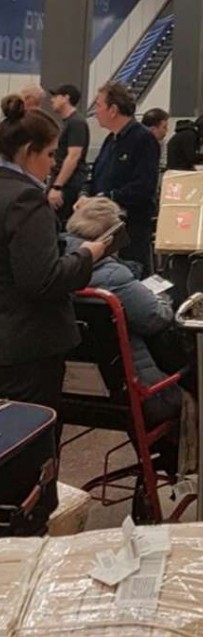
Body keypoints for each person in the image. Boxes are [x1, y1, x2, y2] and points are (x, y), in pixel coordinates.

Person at [0, 94, 105, 410]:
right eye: (49, 154)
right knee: (26, 446)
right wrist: (88, 255)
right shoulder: (26, 200)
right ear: (27, 153)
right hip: (25, 347)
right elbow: (42, 280)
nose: (53, 164)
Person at [64, 197, 183, 475]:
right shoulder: (112, 275)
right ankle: (176, 460)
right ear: (109, 237)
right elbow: (154, 319)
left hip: (76, 392)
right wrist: (165, 299)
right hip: (135, 393)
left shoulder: (54, 267)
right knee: (192, 385)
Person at [87, 82, 162, 277]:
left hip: (131, 228)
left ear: (113, 110)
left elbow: (145, 186)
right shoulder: (111, 140)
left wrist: (108, 196)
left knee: (131, 275)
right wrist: (85, 194)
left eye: (98, 105)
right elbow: (97, 174)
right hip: (104, 224)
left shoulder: (143, 139)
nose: (95, 111)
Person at [47, 84, 89, 225]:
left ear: (66, 98)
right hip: (64, 182)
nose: (52, 100)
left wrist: (57, 186)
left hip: (68, 185)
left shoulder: (76, 123)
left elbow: (73, 156)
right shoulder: (68, 123)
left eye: (56, 96)